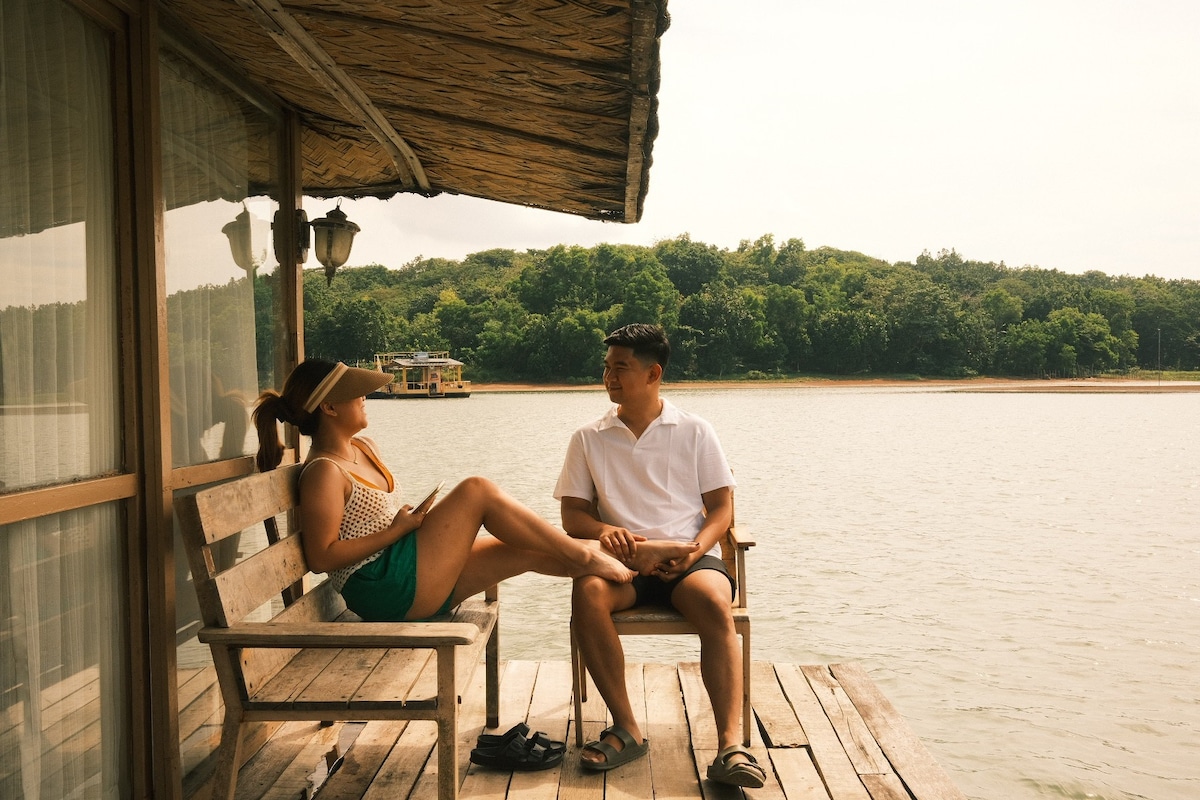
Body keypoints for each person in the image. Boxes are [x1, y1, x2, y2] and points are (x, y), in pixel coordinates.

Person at [252, 359, 636, 623]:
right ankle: (590, 559)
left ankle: (638, 566)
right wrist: (396, 531)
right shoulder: (323, 472)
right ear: (330, 409)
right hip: (381, 587)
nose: (364, 398)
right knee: (477, 490)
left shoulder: (364, 447)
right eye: (356, 393)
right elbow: (321, 557)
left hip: (404, 564)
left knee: (526, 550)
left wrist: (403, 524)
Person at [554, 324, 767, 788]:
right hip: (624, 564)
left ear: (654, 373)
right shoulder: (588, 437)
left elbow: (721, 508)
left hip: (686, 559)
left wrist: (695, 553)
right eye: (607, 367)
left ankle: (730, 744)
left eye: (621, 368)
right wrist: (608, 530)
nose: (609, 376)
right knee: (587, 591)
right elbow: (574, 517)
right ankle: (627, 728)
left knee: (713, 601)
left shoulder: (694, 430)